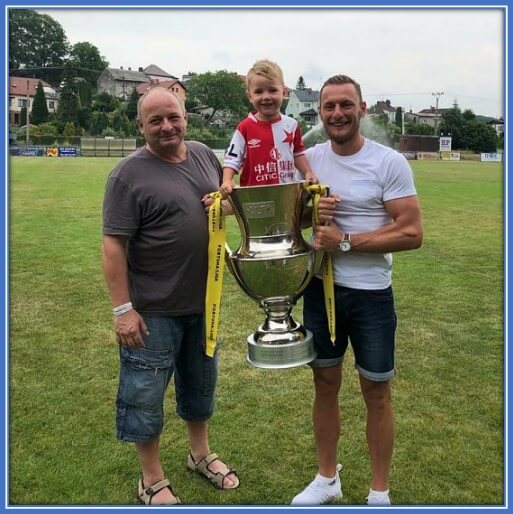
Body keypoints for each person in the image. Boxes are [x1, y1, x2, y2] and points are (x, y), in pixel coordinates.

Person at [102, 87, 239, 505]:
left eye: (173, 117)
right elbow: (113, 245)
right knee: (145, 393)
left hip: (204, 302)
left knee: (200, 386)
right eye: (155, 120)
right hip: (154, 311)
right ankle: (151, 478)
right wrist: (124, 310)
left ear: (186, 118)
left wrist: (225, 201)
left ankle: (200, 454)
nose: (167, 126)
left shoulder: (201, 153)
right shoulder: (127, 175)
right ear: (140, 126)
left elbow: (225, 204)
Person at [291, 75, 423, 506]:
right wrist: (312, 212)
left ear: (362, 109)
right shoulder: (308, 160)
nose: (337, 114)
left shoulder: (388, 163)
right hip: (320, 289)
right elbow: (290, 224)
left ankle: (378, 491)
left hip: (371, 296)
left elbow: (412, 233)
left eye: (346, 105)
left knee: (377, 391)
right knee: (325, 384)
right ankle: (327, 478)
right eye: (329, 107)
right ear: (320, 112)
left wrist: (346, 241)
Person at [220, 59, 316, 195]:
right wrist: (227, 180)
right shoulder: (244, 127)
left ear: (283, 92)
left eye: (272, 90)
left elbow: (298, 153)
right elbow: (232, 159)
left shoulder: (292, 125)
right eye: (259, 92)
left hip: (286, 196)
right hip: (254, 197)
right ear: (250, 96)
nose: (266, 97)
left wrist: (308, 172)